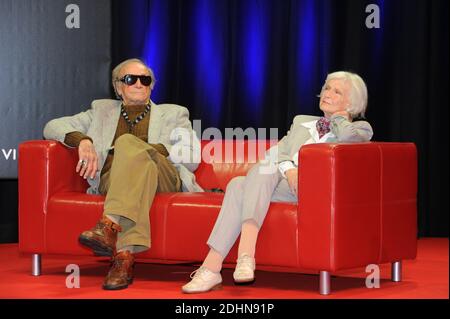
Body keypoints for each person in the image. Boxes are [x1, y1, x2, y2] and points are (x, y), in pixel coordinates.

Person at [181, 71, 374, 293]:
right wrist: (290, 170)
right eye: (327, 88)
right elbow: (275, 153)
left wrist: (340, 116)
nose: (327, 93)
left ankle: (224, 263)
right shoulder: (302, 122)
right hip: (284, 185)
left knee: (246, 181)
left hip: (315, 192)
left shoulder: (361, 128)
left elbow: (347, 137)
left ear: (352, 102)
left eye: (337, 91)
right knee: (238, 184)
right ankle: (223, 263)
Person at [43, 58, 202, 290]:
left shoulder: (174, 114)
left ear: (151, 86)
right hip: (113, 179)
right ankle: (124, 258)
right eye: (130, 79)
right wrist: (83, 140)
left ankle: (109, 225)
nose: (139, 84)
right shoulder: (100, 110)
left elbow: (192, 157)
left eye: (145, 79)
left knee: (129, 144)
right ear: (118, 87)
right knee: (139, 168)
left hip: (165, 176)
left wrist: (144, 150)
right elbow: (51, 126)